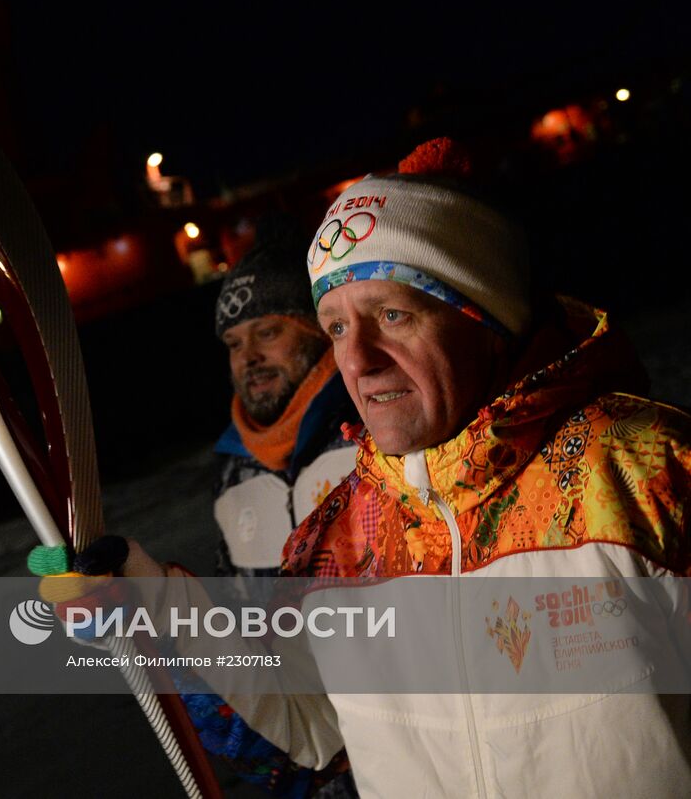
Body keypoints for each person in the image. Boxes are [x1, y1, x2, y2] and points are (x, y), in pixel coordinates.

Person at [129, 137, 691, 797]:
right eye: (336, 327)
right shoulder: (337, 540)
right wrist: (156, 606)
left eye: (393, 315)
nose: (360, 361)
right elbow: (307, 725)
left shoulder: (642, 471)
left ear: (483, 319)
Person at [210, 217, 359, 579]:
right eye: (234, 344)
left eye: (268, 332)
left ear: (319, 331)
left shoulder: (370, 434)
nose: (249, 358)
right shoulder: (233, 470)